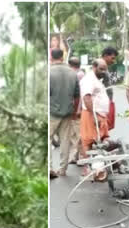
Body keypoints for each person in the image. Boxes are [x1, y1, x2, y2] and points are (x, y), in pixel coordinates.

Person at [49, 48, 80, 178]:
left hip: (52, 113)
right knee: (65, 141)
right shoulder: (72, 73)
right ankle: (62, 169)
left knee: (48, 139)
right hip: (67, 112)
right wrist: (74, 111)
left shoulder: (49, 72)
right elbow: (77, 96)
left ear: (51, 57)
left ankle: (49, 167)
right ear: (63, 57)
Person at [79, 59, 111, 180]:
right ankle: (87, 168)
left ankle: (98, 167)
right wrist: (93, 116)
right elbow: (87, 98)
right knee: (88, 141)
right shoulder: (89, 79)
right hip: (91, 114)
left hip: (99, 114)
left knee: (99, 140)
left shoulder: (96, 79)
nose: (103, 71)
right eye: (101, 69)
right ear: (94, 67)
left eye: (105, 69)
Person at [68, 57, 83, 164]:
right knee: (77, 132)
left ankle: (77, 156)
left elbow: (80, 94)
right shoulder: (82, 74)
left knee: (76, 133)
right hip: (79, 107)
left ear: (69, 65)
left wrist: (78, 109)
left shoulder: (75, 75)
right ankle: (76, 155)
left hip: (76, 108)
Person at [100, 47, 119, 130]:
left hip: (106, 102)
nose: (113, 61)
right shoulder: (100, 69)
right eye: (112, 58)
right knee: (101, 126)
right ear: (105, 56)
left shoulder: (105, 68)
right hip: (100, 104)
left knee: (106, 126)